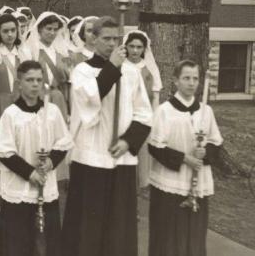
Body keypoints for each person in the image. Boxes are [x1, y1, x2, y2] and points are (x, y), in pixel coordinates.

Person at [61, 16, 153, 256]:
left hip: (120, 156)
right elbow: (91, 100)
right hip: (91, 157)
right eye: (106, 38)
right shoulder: (82, 71)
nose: (113, 44)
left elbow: (144, 113)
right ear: (93, 38)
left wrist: (128, 141)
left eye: (116, 39)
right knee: (88, 226)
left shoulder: (132, 73)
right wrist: (112, 67)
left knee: (118, 226)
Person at [0, 60, 73, 256]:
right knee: (17, 242)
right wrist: (30, 173)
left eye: (39, 79)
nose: (35, 84)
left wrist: (52, 161)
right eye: (29, 80)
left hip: (46, 183)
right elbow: (4, 152)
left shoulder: (51, 112)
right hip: (19, 188)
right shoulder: (11, 115)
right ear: (19, 84)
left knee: (46, 241)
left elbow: (63, 142)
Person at [147, 60, 223, 256]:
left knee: (194, 234)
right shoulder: (165, 110)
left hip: (198, 184)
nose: (191, 83)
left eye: (195, 78)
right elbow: (155, 146)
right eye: (186, 78)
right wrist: (184, 158)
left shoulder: (206, 111)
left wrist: (205, 153)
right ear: (175, 81)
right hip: (171, 182)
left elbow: (216, 142)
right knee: (169, 235)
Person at [0, 14, 32, 224]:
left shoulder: (25, 53)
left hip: (21, 106)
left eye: (13, 30)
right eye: (5, 31)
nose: (10, 34)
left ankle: (17, 203)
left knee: (21, 153)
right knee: (0, 154)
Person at [124, 30, 163, 188]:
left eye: (139, 47)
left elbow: (155, 96)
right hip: (125, 115)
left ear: (144, 49)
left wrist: (153, 119)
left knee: (142, 151)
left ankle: (141, 184)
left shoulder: (149, 69)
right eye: (131, 46)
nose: (135, 51)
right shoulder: (121, 66)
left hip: (144, 117)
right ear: (126, 46)